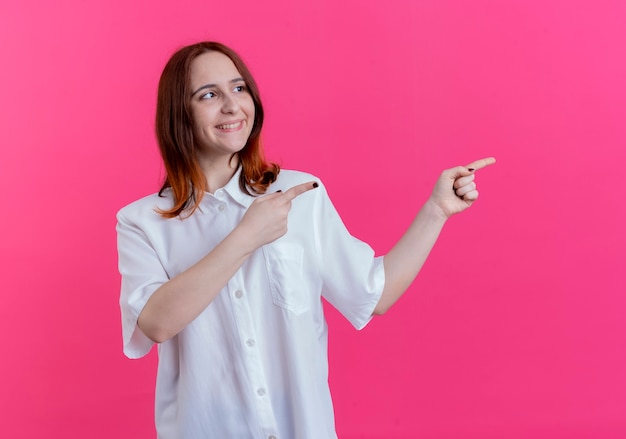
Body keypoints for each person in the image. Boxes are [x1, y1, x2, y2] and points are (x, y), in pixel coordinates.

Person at [116, 41, 495, 439]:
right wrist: (246, 237)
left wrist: (436, 210)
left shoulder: (301, 193)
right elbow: (156, 323)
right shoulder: (142, 222)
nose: (232, 106)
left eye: (239, 88)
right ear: (179, 114)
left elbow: (374, 293)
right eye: (209, 95)